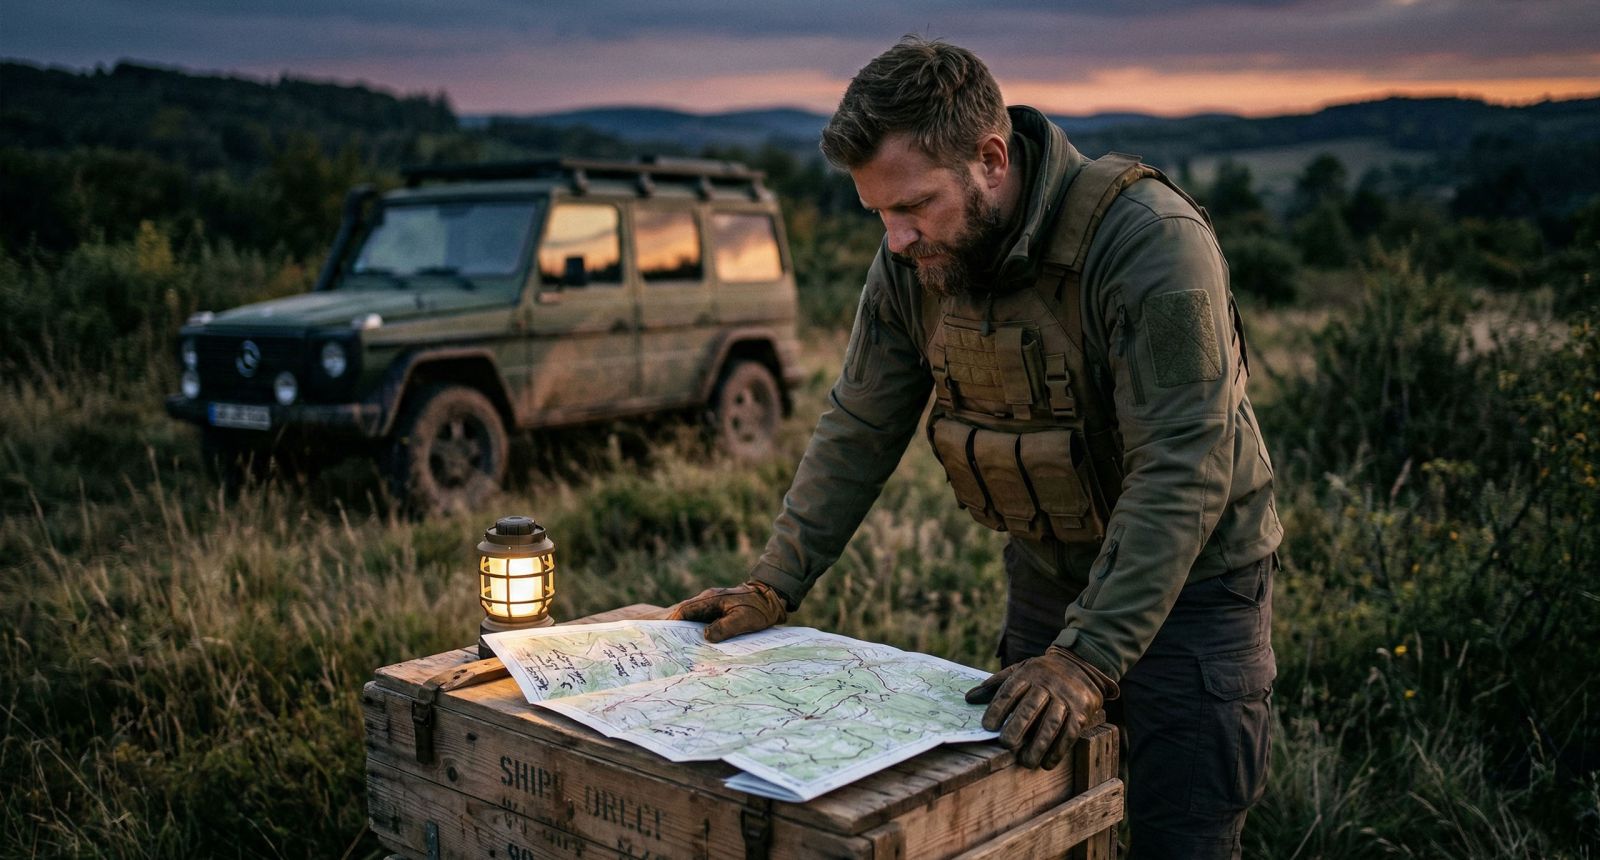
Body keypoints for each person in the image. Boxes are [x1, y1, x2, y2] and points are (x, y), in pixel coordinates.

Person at [672, 36, 1281, 858]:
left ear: (991, 160)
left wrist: (1087, 660)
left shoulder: (1149, 244)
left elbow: (1183, 465)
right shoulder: (914, 259)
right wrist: (773, 584)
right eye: (879, 213)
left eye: (914, 207)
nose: (895, 239)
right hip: (1047, 575)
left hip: (1198, 594)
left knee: (1184, 838)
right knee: (1033, 830)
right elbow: (859, 423)